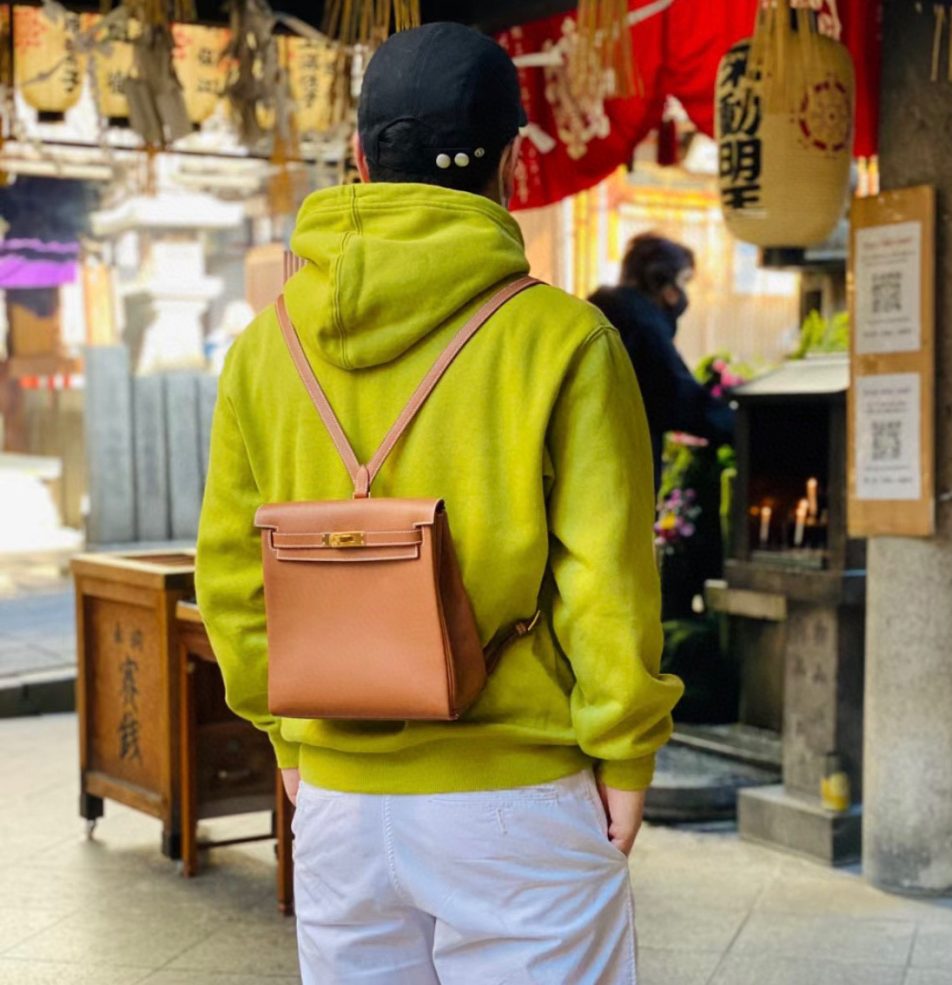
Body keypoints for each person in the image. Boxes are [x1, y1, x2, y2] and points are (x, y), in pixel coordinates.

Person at [196, 21, 681, 985]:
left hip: (336, 799)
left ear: (360, 158)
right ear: (510, 160)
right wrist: (625, 753)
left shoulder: (263, 348)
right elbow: (607, 581)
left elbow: (234, 574)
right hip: (517, 791)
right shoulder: (564, 340)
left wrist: (286, 737)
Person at [589, 235, 735, 492]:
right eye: (683, 281)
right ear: (662, 284)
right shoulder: (641, 324)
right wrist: (742, 426)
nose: (682, 294)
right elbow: (675, 396)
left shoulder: (602, 313)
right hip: (620, 472)